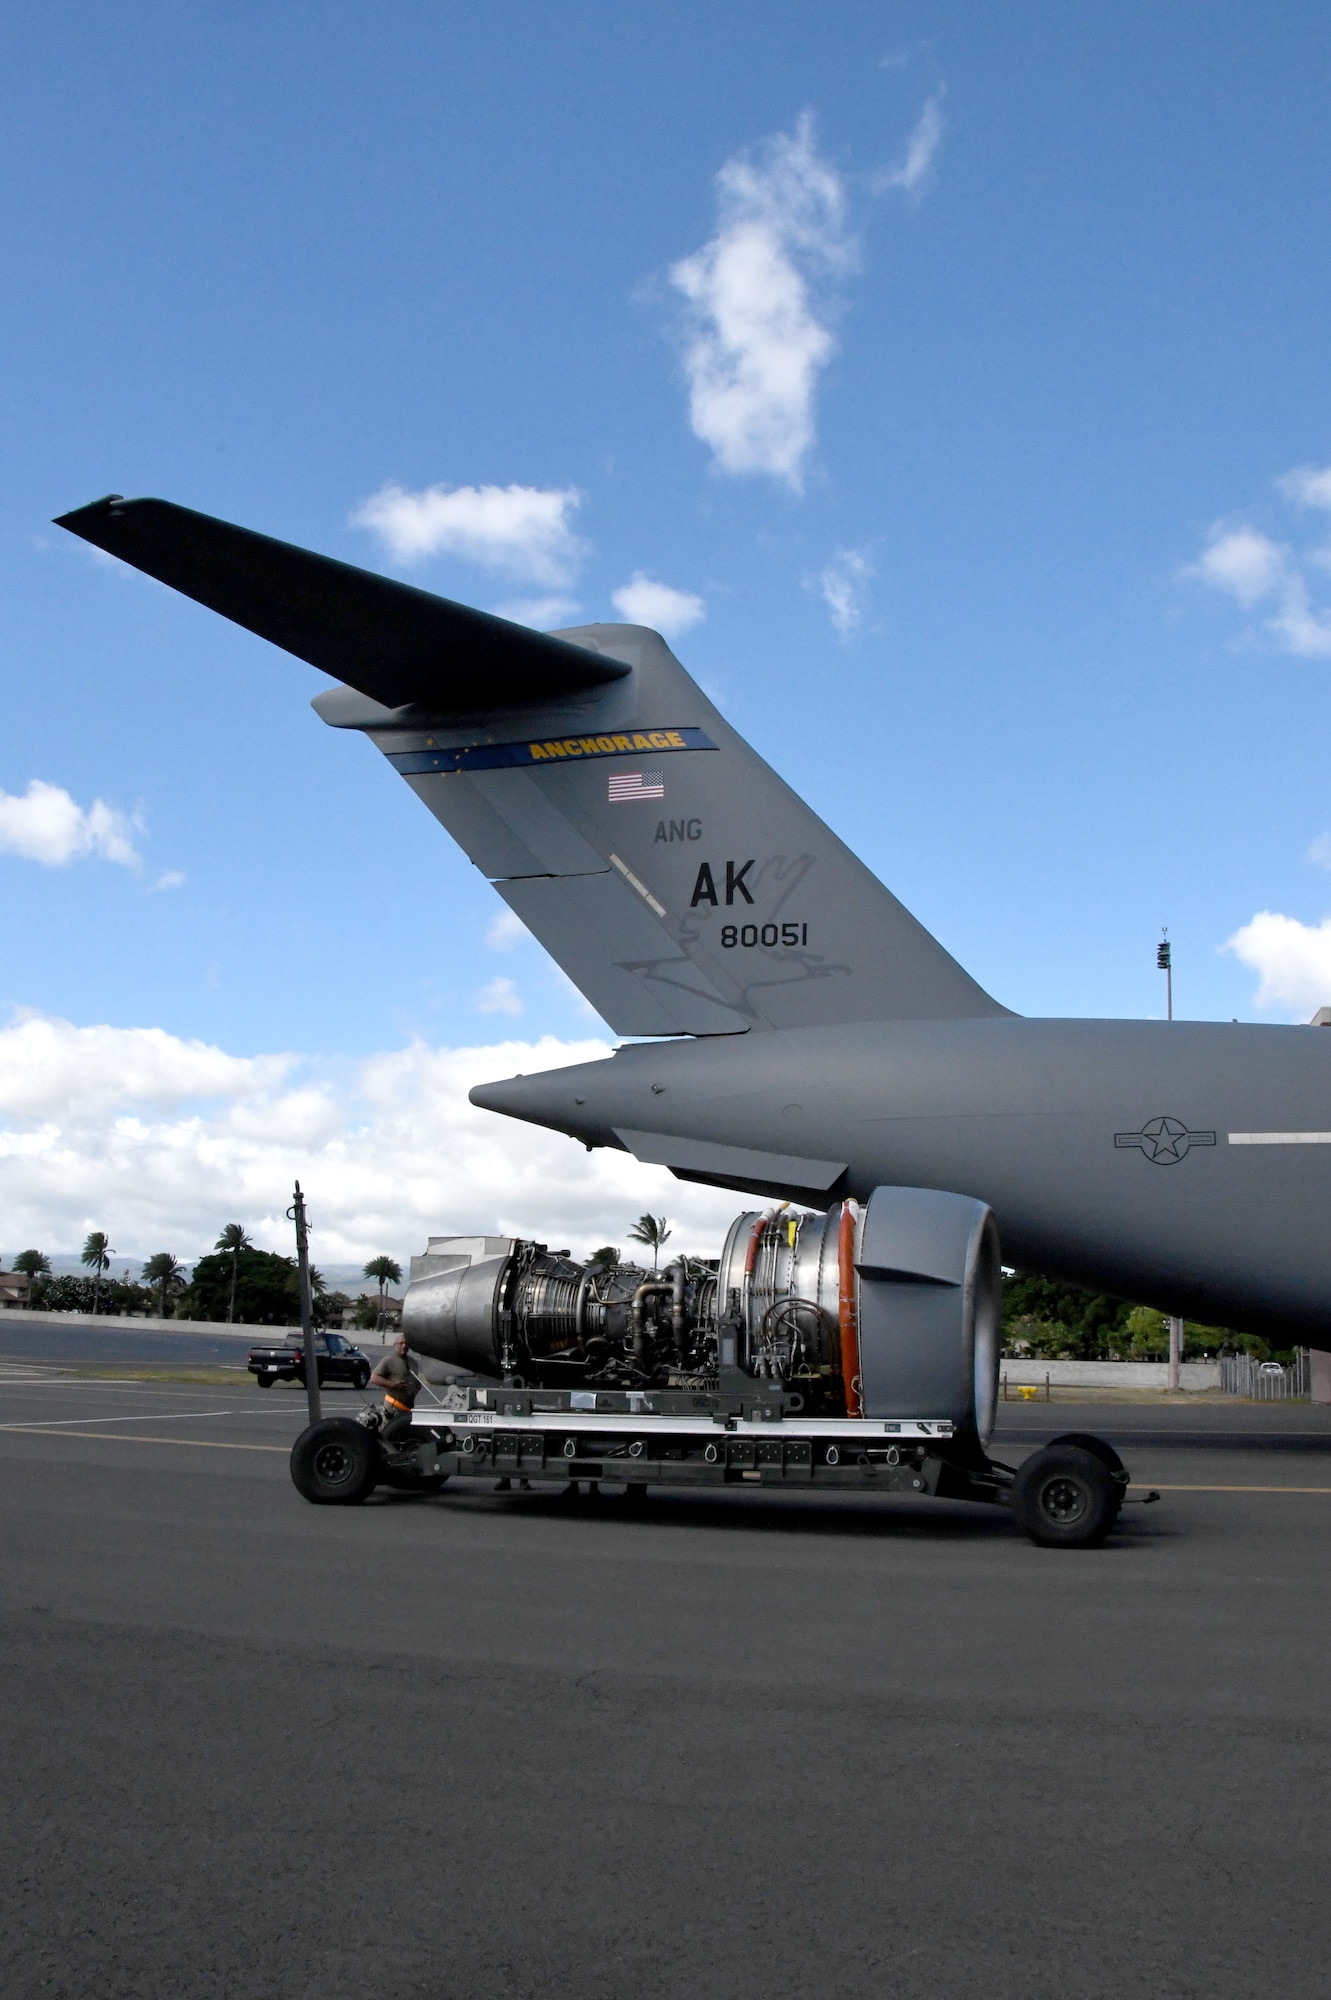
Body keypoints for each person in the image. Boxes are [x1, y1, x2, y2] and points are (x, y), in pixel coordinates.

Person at [368, 1332, 422, 1441]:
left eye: (406, 1344)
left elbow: (416, 1381)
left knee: (403, 1439)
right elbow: (374, 1378)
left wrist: (416, 1387)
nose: (404, 1346)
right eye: (400, 1343)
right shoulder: (388, 1361)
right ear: (395, 1345)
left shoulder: (413, 1362)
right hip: (392, 1408)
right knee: (387, 1437)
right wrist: (392, 1384)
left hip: (407, 1410)